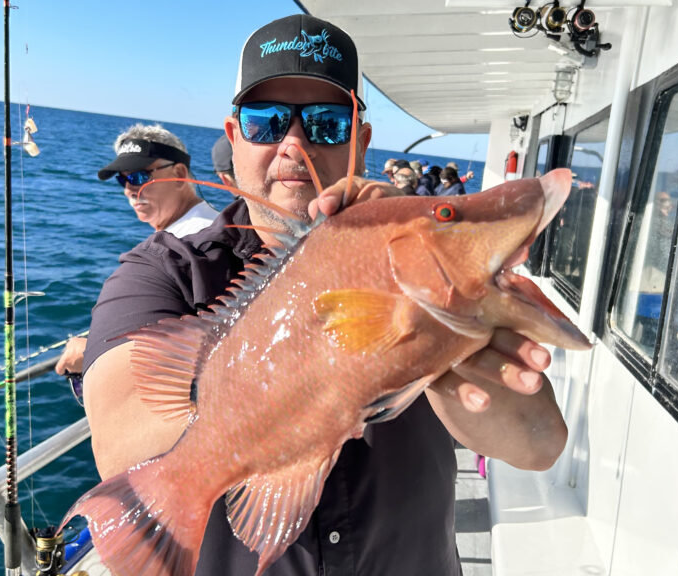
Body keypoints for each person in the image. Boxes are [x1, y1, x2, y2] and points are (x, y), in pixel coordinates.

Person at [81, 14, 566, 575]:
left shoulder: (430, 282)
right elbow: (120, 448)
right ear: (234, 136)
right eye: (266, 123)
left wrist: (432, 341)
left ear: (360, 140)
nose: (293, 143)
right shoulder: (161, 272)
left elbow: (539, 446)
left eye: (326, 123)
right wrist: (313, 347)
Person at [53, 124, 219, 376]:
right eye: (123, 179)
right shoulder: (206, 225)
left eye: (140, 176)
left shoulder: (194, 244)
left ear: (180, 173)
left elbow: (215, 342)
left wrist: (93, 352)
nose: (130, 188)